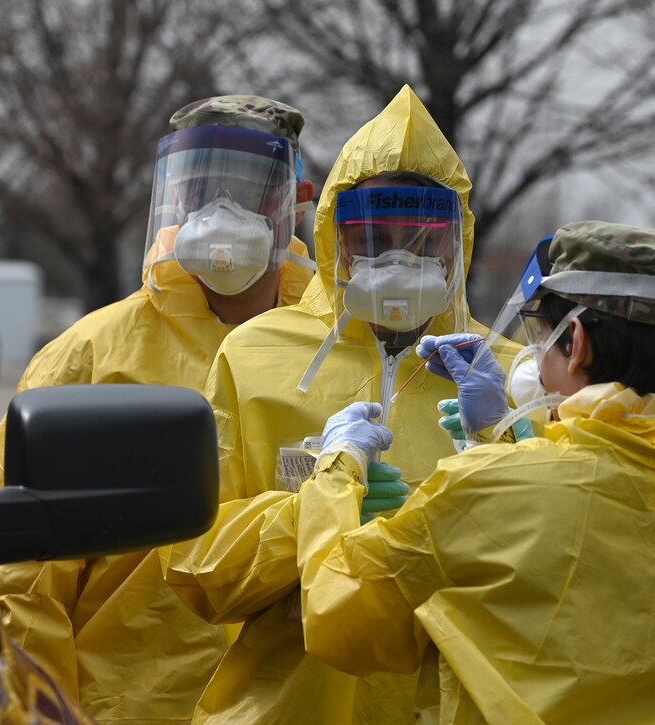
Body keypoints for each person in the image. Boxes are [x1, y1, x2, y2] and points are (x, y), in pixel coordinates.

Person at [296, 221, 655, 723]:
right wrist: (502, 434)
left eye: (541, 336)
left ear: (577, 341)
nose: (533, 360)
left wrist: (337, 468)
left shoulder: (488, 484)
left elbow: (338, 616)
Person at [160, 85, 520, 724]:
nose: (397, 261)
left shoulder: (507, 376)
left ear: (455, 246)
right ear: (334, 242)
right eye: (373, 238)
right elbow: (195, 566)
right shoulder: (257, 355)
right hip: (294, 704)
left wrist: (500, 451)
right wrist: (310, 515)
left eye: (421, 241)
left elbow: (556, 552)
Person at [0, 96, 317, 724]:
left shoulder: (331, 354)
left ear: (293, 201)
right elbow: (24, 577)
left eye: (245, 190)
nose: (220, 212)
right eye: (199, 191)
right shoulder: (88, 359)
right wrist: (45, 714)